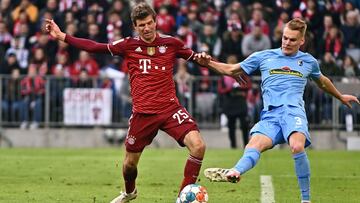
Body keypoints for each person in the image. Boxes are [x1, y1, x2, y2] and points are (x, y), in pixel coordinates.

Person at [45, 3, 206, 203]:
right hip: (142, 114)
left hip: (170, 109)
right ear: (135, 27)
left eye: (149, 23)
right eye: (141, 25)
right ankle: (130, 193)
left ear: (156, 22)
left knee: (198, 146)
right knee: (129, 165)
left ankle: (183, 197)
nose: (146, 28)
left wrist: (233, 69)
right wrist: (63, 37)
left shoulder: (171, 43)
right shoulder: (128, 45)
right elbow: (96, 47)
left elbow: (201, 60)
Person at [195, 18, 360, 203]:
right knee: (253, 145)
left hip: (293, 112)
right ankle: (234, 171)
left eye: (292, 40)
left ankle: (306, 200)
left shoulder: (308, 61)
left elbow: (322, 81)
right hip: (271, 115)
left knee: (297, 146)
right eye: (285, 38)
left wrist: (341, 96)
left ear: (301, 41)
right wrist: (207, 63)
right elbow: (232, 69)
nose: (287, 42)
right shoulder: (264, 56)